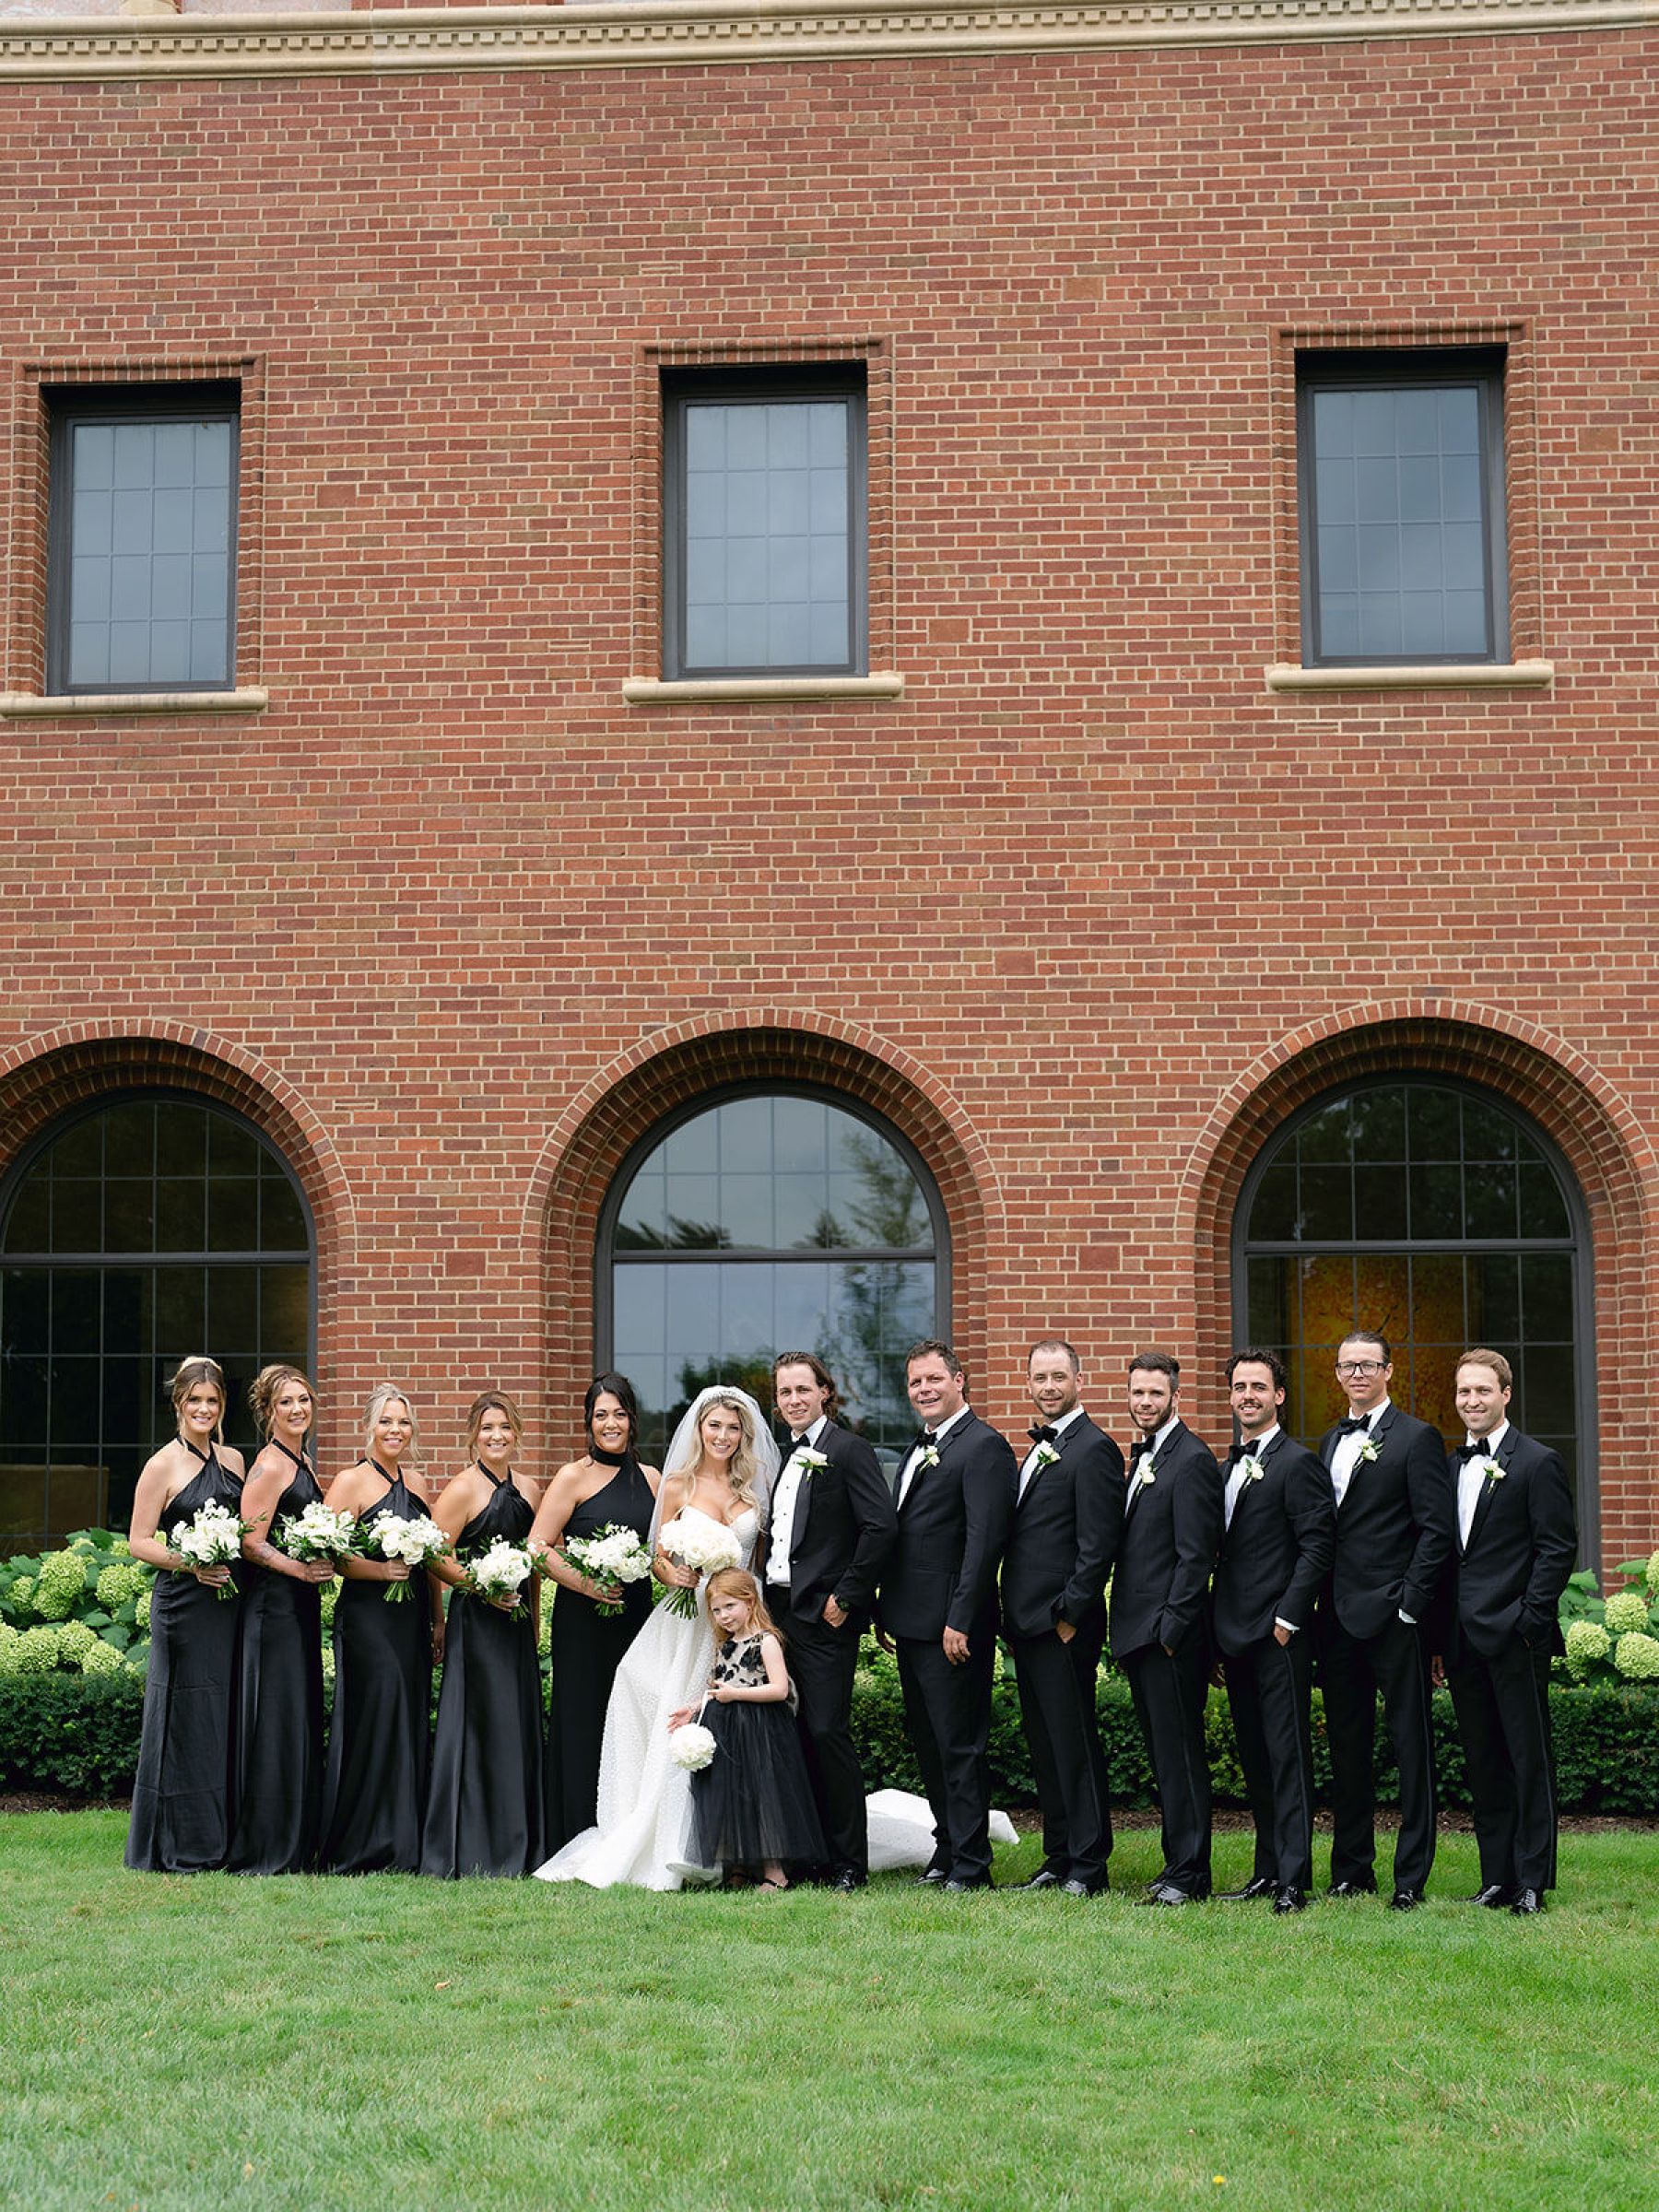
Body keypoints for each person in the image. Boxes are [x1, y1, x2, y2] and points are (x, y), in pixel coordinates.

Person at [533, 1385, 778, 1891]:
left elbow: (757, 1563)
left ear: (744, 1434)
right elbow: (657, 1557)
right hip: (684, 1619)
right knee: (661, 1706)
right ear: (699, 1430)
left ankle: (738, 1849)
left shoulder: (754, 1489)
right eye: (715, 1426)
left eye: (733, 1428)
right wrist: (673, 1576)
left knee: (731, 1721)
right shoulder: (675, 1485)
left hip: (737, 1620)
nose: (723, 1436)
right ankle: (668, 1839)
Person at [1313, 1329, 1454, 1909]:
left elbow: (1436, 1531)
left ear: (1389, 1372)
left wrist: (1409, 1604)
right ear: (1339, 1374)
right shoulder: (1328, 1440)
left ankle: (1411, 1878)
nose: (1358, 1375)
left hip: (1397, 1620)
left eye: (1368, 1365)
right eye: (1348, 1366)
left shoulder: (1417, 1438)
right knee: (1347, 1746)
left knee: (1410, 1747)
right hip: (1339, 1620)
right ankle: (1351, 1868)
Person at [1438, 1348, 1577, 1915]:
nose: (1472, 1401)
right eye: (1464, 1392)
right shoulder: (1450, 1465)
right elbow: (1451, 1557)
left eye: (1483, 1392)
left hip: (1515, 1636)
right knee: (1484, 1762)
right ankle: (1495, 1876)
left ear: (1506, 1395)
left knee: (1527, 1758)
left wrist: (1529, 1620)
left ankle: (1530, 1881)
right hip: (1464, 1640)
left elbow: (1557, 1549)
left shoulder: (1537, 1462)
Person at [876, 1339, 1016, 1892]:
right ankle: (947, 1849)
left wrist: (961, 1618)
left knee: (961, 1745)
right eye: (915, 1382)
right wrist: (888, 1611)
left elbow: (984, 1542)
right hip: (912, 1621)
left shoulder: (983, 1446)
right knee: (931, 1745)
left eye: (934, 1379)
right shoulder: (920, 1446)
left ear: (961, 1382)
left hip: (955, 1626)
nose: (924, 1390)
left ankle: (973, 1864)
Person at [762, 1350, 897, 1889]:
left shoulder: (848, 1449)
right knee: (793, 1736)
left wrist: (847, 1596)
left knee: (826, 1731)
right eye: (785, 1393)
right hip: (776, 1615)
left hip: (824, 1617)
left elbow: (880, 1527)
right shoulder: (779, 1455)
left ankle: (848, 1864)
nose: (793, 1400)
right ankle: (808, 1857)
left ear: (825, 1393)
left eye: (802, 1390)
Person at [1210, 1349, 1335, 1914]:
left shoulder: (1297, 1462)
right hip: (1234, 1633)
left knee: (1288, 1759)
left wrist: (1289, 1618)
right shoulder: (1226, 1466)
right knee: (1256, 1758)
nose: (1248, 1396)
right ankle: (1265, 1871)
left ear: (1279, 1395)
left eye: (1259, 1387)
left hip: (1278, 1635)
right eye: (1239, 1387)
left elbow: (1317, 1546)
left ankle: (1294, 1879)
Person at [1000, 1337, 1123, 1897]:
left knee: (1073, 1743)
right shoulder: (1040, 1448)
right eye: (1040, 1378)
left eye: (1058, 1377)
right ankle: (1057, 1855)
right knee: (1046, 1745)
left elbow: (1098, 1544)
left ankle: (1089, 1863)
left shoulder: (1093, 1448)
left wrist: (1070, 1613)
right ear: (1028, 1384)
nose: (1048, 1387)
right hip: (1026, 1623)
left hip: (1060, 1624)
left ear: (1080, 1381)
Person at [1106, 1351, 1224, 1904]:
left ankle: (1190, 1875)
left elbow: (1196, 1556)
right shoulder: (1149, 1456)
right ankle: (1175, 1865)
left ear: (1175, 1396)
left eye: (1155, 1394)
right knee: (1164, 1759)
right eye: (1137, 1393)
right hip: (1140, 1635)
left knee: (1180, 1758)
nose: (1144, 1403)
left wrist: (1170, 1631)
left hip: (1167, 1640)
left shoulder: (1192, 1459)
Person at [530, 1371, 661, 1853]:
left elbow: (661, 1552)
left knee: (632, 1717)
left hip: (636, 1617)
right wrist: (586, 1583)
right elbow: (539, 1547)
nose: (610, 1423)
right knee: (584, 1717)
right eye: (601, 1414)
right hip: (582, 1622)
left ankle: (626, 1828)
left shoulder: (651, 1479)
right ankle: (575, 1830)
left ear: (632, 1420)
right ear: (588, 1422)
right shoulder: (572, 1477)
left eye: (619, 1414)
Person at [124, 1357, 247, 1872]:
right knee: (183, 1716)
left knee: (221, 1714)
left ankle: (220, 1833)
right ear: (179, 1404)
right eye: (194, 1400)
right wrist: (190, 1562)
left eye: (212, 1401)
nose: (203, 1408)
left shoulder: (236, 1461)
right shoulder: (161, 1465)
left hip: (227, 1605)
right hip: (181, 1605)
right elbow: (138, 1541)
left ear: (222, 1407)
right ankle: (174, 1839)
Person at [418, 1392, 546, 1879]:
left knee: (515, 1724)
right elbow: (434, 1556)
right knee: (480, 1724)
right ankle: (473, 1844)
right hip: (476, 1622)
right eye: (487, 1428)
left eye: (505, 1427)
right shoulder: (461, 1489)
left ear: (517, 1433)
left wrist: (535, 1619)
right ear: (473, 1435)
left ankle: (519, 1841)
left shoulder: (532, 1489)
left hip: (514, 1623)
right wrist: (478, 1587)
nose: (497, 1436)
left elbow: (533, 1560)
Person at [318, 1385, 441, 1874]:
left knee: (409, 1716)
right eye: (387, 1421)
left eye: (404, 1423)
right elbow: (329, 1552)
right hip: (368, 1618)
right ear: (370, 1426)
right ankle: (364, 1840)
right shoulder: (350, 1482)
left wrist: (438, 1620)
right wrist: (378, 1571)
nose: (396, 1430)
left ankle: (404, 1841)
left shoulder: (419, 1482)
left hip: (411, 1618)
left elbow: (429, 1559)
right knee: (378, 1715)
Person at [227, 1362, 334, 1874]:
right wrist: (299, 1568)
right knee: (277, 1718)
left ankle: (299, 1836)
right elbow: (250, 1541)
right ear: (269, 1412)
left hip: (300, 1607)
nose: (298, 1410)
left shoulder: (304, 1461)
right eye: (287, 1402)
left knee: (299, 1714)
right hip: (273, 1609)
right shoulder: (270, 1466)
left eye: (304, 1401)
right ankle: (270, 1845)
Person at [674, 1569, 828, 1891]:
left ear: (750, 1600)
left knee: (763, 1797)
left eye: (730, 1606)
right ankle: (738, 1867)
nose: (723, 1616)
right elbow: (720, 1686)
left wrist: (736, 1695)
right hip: (728, 1732)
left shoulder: (766, 1641)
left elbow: (780, 1689)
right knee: (733, 1797)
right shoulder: (725, 1644)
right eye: (716, 1610)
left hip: (761, 1731)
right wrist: (696, 1708)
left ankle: (776, 1874)